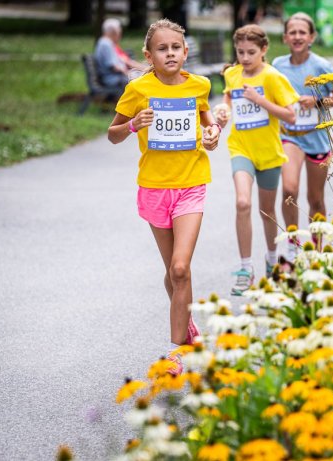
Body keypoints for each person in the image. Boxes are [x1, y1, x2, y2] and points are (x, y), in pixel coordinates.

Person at [107, 19, 221, 373]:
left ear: (185, 52)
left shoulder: (200, 85)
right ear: (149, 55)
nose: (170, 53)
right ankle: (191, 333)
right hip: (155, 188)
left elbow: (208, 126)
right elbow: (112, 134)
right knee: (172, 272)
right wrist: (132, 125)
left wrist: (214, 133)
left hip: (191, 184)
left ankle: (178, 351)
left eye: (175, 47)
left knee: (181, 268)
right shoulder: (138, 89)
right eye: (162, 48)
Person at [213, 25, 299, 295]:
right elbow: (228, 99)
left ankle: (273, 260)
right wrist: (223, 111)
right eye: (240, 52)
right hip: (241, 148)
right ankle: (245, 268)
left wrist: (259, 100)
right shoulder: (233, 74)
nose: (245, 58)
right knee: (242, 203)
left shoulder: (273, 77)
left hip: (270, 153)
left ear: (264, 50)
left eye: (251, 52)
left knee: (266, 211)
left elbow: (291, 115)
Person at [272, 13, 333, 261]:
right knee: (289, 190)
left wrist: (316, 101)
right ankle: (293, 246)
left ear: (311, 37)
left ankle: (317, 249)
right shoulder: (278, 65)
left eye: (302, 32)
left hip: (317, 139)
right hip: (290, 136)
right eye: (292, 32)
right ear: (285, 37)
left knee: (315, 199)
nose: (297, 36)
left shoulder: (321, 65)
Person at [94, 18, 131, 90]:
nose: (120, 34)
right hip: (111, 79)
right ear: (114, 32)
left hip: (114, 77)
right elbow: (114, 67)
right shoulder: (106, 44)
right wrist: (128, 74)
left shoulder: (106, 42)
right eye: (119, 31)